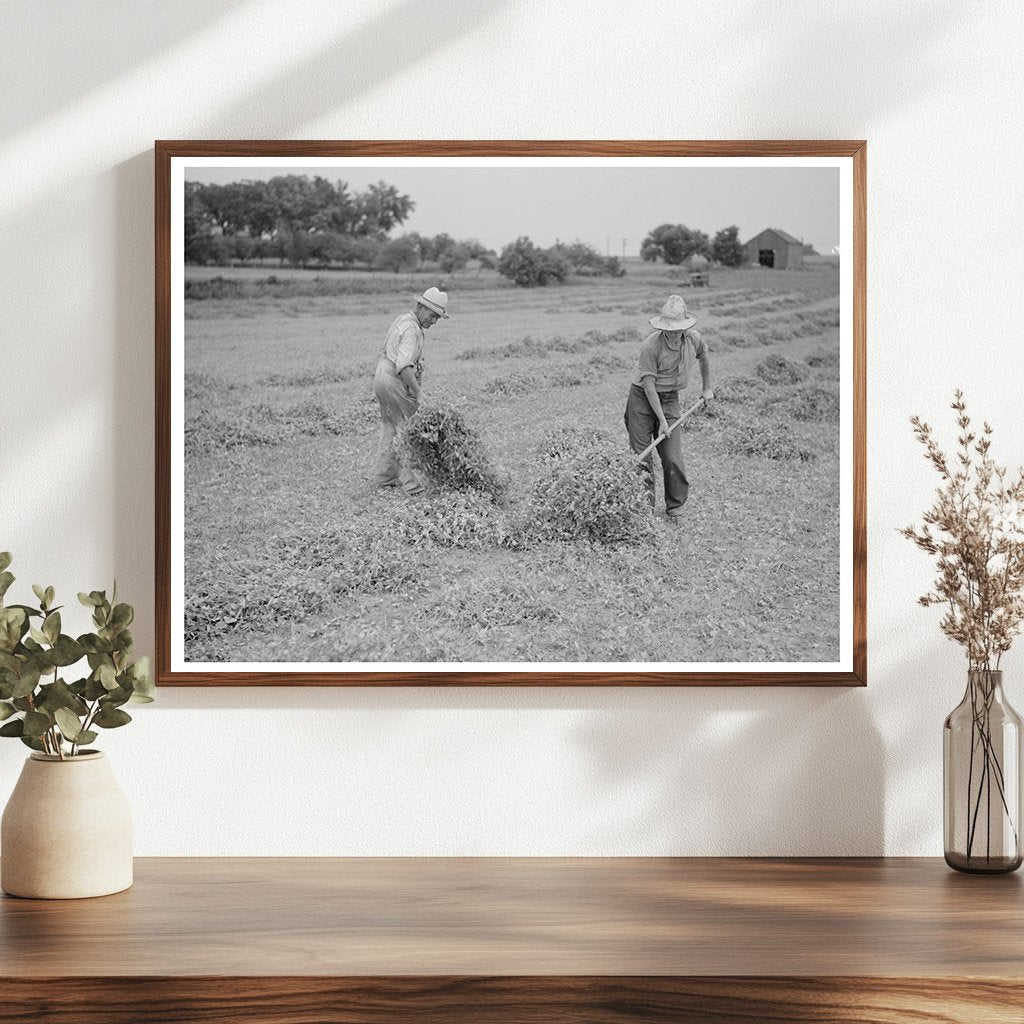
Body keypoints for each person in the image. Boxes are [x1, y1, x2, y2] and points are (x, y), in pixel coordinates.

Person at [624, 294, 713, 521]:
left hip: (670, 398)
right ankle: (643, 509)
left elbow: (704, 358)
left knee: (672, 455)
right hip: (642, 399)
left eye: (677, 328)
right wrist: (662, 421)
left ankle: (675, 504)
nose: (673, 333)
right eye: (669, 328)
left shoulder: (693, 339)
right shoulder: (650, 347)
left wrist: (706, 388)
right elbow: (649, 385)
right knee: (641, 457)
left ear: (684, 326)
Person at [372, 286, 450, 494]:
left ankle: (384, 477)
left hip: (382, 375)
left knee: (391, 425)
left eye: (437, 318)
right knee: (408, 430)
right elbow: (405, 366)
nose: (433, 322)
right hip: (394, 379)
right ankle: (413, 486)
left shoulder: (402, 320)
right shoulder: (412, 330)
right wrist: (418, 393)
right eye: (432, 315)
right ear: (420, 307)